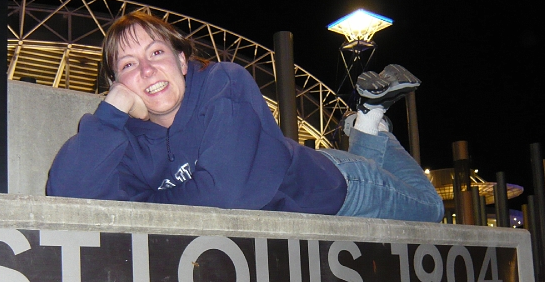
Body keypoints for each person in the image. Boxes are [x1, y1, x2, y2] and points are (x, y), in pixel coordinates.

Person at [46, 11, 444, 223]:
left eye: (156, 53)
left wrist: (150, 202)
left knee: (431, 208)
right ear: (118, 83)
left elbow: (231, 195)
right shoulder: (126, 142)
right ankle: (368, 123)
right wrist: (111, 114)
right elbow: (64, 199)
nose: (147, 71)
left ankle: (370, 121)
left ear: (182, 61)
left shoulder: (223, 82)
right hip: (308, 195)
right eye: (128, 65)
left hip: (339, 187)